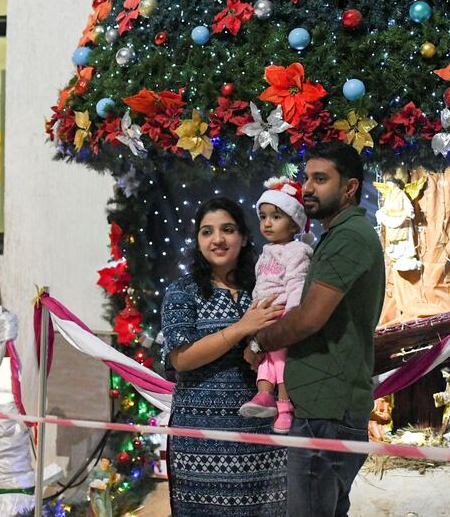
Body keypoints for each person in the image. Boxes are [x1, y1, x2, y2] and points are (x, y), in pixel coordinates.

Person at [246, 141, 386, 516]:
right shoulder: (333, 236)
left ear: (350, 187)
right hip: (320, 404)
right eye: (306, 178)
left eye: (320, 179)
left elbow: (309, 318)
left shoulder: (350, 236)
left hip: (327, 409)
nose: (307, 187)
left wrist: (259, 341)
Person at [161, 197, 287, 516]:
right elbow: (181, 359)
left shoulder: (264, 288)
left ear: (244, 238)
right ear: (198, 241)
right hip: (200, 436)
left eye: (227, 230)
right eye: (207, 232)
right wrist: (242, 327)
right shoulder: (183, 291)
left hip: (263, 432)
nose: (217, 239)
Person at [239, 177, 314, 433]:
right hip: (263, 317)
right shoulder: (266, 252)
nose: (267, 223)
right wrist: (252, 312)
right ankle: (264, 396)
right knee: (264, 360)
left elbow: (297, 284)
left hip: (282, 316)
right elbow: (260, 286)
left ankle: (284, 406)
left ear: (294, 223)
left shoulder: (297, 251)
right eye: (263, 216)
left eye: (276, 217)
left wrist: (292, 315)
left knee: (280, 358)